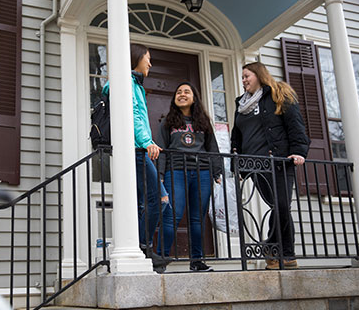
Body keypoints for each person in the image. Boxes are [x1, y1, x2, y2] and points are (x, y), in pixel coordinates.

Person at [230, 62, 310, 270]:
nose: (244, 80)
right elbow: (236, 138)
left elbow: (295, 123)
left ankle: (273, 249)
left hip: (279, 161)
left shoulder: (279, 93)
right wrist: (236, 164)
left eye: (247, 76)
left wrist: (299, 151)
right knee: (277, 206)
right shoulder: (241, 104)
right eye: (242, 77)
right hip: (254, 165)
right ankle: (285, 255)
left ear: (259, 75)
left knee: (281, 205)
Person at [102, 44, 169, 270]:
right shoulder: (127, 83)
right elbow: (133, 116)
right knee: (161, 200)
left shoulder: (134, 84)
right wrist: (147, 142)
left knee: (144, 204)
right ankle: (143, 247)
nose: (150, 64)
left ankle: (144, 249)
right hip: (136, 150)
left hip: (135, 149)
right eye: (147, 59)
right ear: (136, 59)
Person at [156, 82, 221, 272]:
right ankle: (160, 260)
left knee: (197, 219)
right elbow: (161, 150)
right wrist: (160, 174)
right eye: (178, 92)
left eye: (186, 92)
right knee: (172, 216)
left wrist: (216, 172)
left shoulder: (203, 123)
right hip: (175, 171)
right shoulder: (167, 122)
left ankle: (197, 261)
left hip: (202, 173)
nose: (182, 94)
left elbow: (213, 149)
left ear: (194, 98)